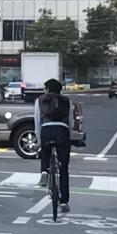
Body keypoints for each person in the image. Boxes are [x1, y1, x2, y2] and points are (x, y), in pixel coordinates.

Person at [34, 78, 72, 212]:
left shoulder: (40, 100)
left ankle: (44, 170)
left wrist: (38, 140)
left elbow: (37, 121)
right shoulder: (66, 101)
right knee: (63, 168)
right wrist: (69, 136)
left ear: (47, 89)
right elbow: (70, 121)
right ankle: (64, 202)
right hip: (62, 130)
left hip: (47, 129)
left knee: (45, 150)